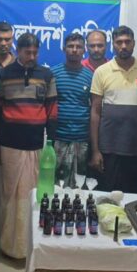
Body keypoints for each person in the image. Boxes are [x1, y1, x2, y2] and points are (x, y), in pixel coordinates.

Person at [0, 33, 58, 258]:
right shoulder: (4, 74)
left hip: (35, 144)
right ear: (18, 50)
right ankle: (7, 245)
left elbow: (52, 111)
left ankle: (27, 246)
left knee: (30, 194)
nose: (31, 56)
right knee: (9, 194)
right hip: (9, 143)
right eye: (27, 52)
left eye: (35, 52)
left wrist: (50, 142)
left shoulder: (46, 75)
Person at [89, 26, 137, 194]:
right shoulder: (101, 72)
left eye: (127, 42)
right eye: (119, 42)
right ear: (113, 44)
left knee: (131, 198)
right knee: (106, 198)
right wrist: (95, 151)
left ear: (134, 43)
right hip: (107, 149)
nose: (123, 46)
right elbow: (95, 112)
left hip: (135, 149)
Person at [51, 33, 94, 187]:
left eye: (78, 47)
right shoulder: (54, 73)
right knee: (56, 185)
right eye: (70, 46)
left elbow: (94, 107)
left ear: (84, 50)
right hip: (58, 138)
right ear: (64, 49)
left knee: (78, 186)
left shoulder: (90, 76)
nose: (74, 50)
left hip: (81, 140)